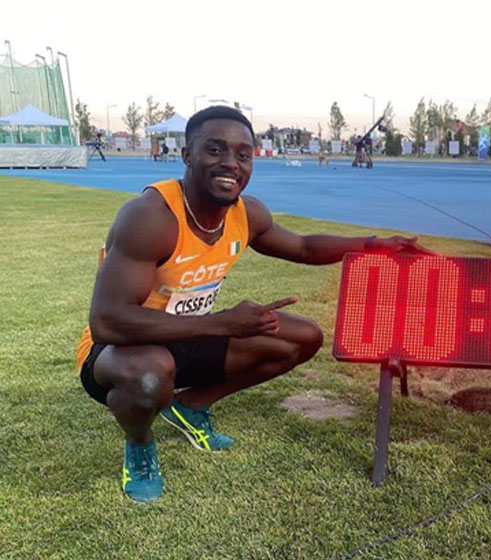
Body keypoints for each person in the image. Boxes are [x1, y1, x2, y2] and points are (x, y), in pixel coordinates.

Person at [76, 106, 432, 503]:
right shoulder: (150, 217)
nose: (231, 163)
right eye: (215, 150)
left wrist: (373, 245)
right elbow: (108, 321)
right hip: (119, 352)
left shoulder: (247, 214)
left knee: (303, 338)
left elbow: (302, 246)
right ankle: (140, 447)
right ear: (187, 155)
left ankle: (191, 405)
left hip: (187, 335)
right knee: (148, 376)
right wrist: (222, 324)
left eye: (243, 155)